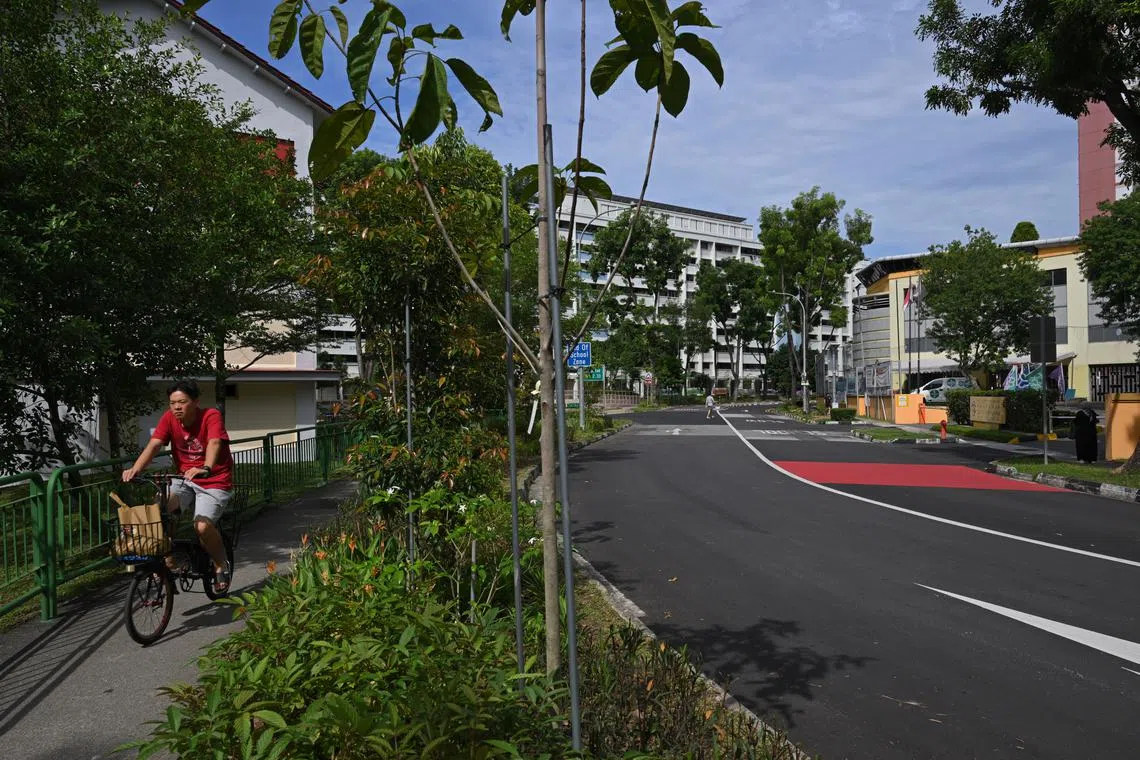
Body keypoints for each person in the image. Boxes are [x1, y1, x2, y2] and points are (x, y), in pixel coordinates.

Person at [122, 379, 235, 592]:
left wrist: (206, 467)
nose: (176, 407)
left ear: (195, 402)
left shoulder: (210, 416)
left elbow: (214, 442)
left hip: (214, 480)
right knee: (159, 512)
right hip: (184, 478)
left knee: (202, 526)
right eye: (173, 403)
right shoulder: (169, 418)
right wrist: (136, 469)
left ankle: (221, 564)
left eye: (182, 402)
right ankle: (168, 558)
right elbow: (155, 444)